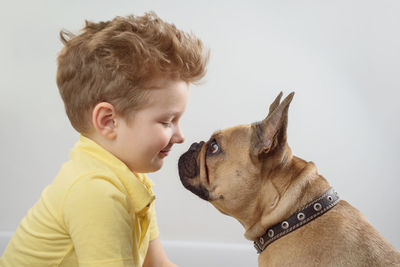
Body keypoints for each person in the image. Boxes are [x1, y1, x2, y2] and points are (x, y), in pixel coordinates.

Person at [0, 11, 209, 267]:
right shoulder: (96, 192)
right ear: (109, 121)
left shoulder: (130, 179)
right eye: (167, 121)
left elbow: (157, 264)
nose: (180, 136)